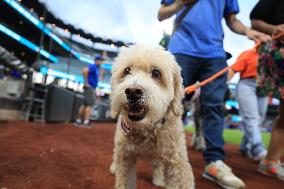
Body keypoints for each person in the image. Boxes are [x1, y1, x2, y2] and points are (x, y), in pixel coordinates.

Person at [157, 0, 270, 188]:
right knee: (170, 106)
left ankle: (215, 162)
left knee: (215, 107)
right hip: (181, 50)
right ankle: (161, 159)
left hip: (214, 55)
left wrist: (248, 31)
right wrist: (180, 4)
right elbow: (161, 14)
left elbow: (232, 20)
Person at [250, 0, 284, 181]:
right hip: (278, 50)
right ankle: (270, 161)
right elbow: (255, 20)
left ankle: (271, 161)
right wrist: (275, 29)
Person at [228, 49, 268, 161]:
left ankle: (245, 146)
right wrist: (221, 86)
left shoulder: (272, 55)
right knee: (251, 118)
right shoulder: (248, 54)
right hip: (247, 84)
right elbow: (233, 70)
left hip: (263, 87)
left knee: (259, 119)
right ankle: (258, 149)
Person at [75, 55, 105, 127]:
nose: (101, 62)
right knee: (89, 105)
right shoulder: (93, 66)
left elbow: (100, 76)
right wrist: (86, 82)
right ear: (97, 60)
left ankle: (79, 121)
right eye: (101, 60)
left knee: (84, 104)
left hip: (89, 88)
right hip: (90, 87)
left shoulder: (97, 67)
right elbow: (85, 70)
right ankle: (86, 122)